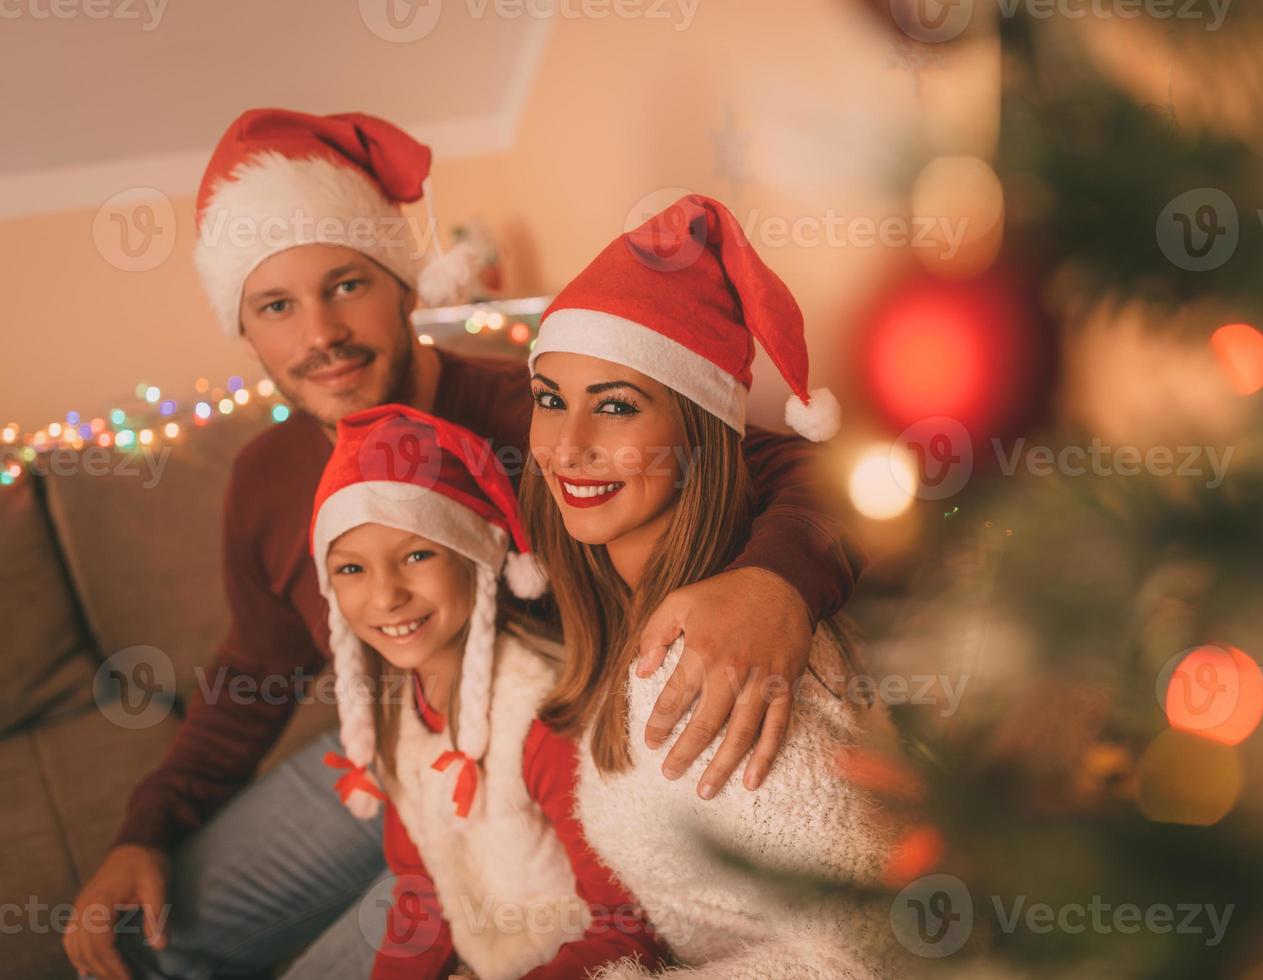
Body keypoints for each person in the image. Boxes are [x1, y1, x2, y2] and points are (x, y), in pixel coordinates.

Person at [64, 109, 864, 980]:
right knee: (144, 944)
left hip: (545, 775)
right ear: (245, 328)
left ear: (404, 281)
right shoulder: (264, 477)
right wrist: (145, 827)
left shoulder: (546, 418)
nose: (321, 334)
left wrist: (775, 581)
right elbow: (251, 670)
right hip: (389, 761)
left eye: (345, 284)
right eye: (276, 306)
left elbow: (794, 468)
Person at [520, 194, 906, 977]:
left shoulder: (728, 656)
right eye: (550, 400)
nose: (568, 446)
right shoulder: (626, 624)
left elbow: (865, 949)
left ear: (697, 437)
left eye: (617, 408)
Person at [310, 402, 669, 979]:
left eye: (417, 555)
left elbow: (632, 931)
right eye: (352, 569)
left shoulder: (543, 722)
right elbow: (423, 887)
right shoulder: (399, 716)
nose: (385, 597)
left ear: (476, 558)